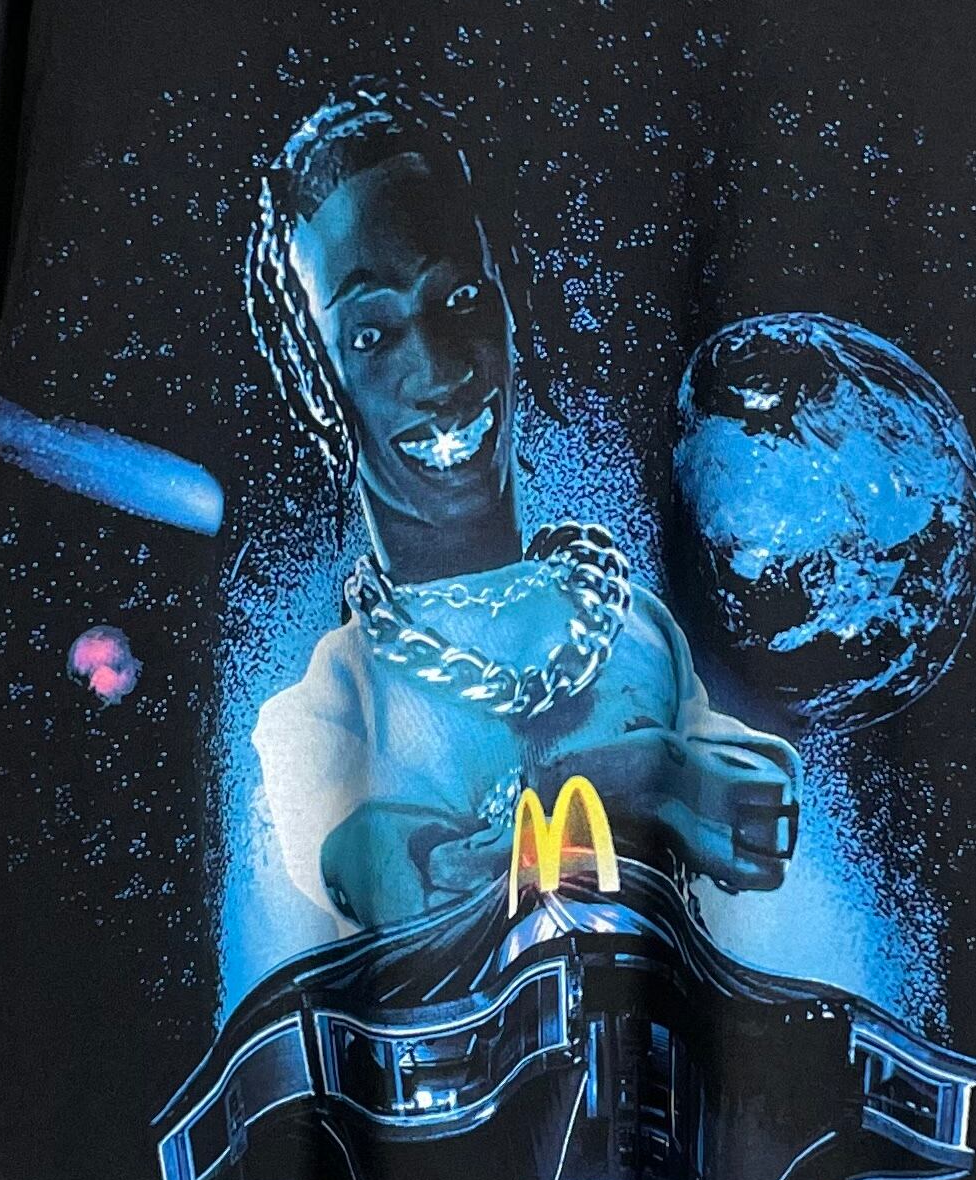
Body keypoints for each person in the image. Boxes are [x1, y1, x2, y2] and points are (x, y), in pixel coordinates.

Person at [244, 90, 800, 935]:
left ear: (512, 307)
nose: (439, 373)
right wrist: (636, 777)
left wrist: (731, 789)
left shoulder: (640, 632)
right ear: (317, 383)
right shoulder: (325, 707)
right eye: (370, 335)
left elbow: (757, 827)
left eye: (461, 295)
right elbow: (407, 879)